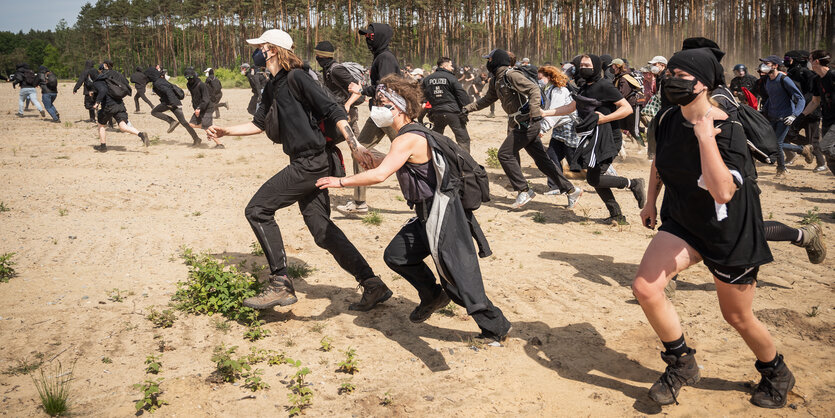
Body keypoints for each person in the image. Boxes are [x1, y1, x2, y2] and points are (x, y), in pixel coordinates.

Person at [633, 46, 795, 409]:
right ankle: (682, 364)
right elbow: (661, 159)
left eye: (681, 76)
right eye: (668, 74)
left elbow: (722, 192)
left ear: (704, 84)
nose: (671, 81)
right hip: (684, 221)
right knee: (645, 288)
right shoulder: (668, 118)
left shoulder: (726, 128)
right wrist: (650, 201)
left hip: (729, 231)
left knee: (736, 316)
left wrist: (705, 136)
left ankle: (776, 372)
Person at [315, 74, 512, 343]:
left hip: (441, 212)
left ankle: (496, 328)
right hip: (425, 213)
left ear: (398, 106)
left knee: (459, 272)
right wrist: (378, 159)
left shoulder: (406, 139)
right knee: (397, 256)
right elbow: (404, 165)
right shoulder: (410, 135)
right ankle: (432, 296)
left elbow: (379, 176)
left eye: (382, 102)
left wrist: (339, 181)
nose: (377, 107)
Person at [206, 29, 391, 312]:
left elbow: (334, 110)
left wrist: (355, 146)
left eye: (261, 47)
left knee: (257, 209)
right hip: (305, 162)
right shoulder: (272, 86)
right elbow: (259, 124)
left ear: (274, 50)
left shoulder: (297, 77)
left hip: (312, 161)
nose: (256, 52)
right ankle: (372, 284)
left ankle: (280, 283)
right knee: (321, 230)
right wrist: (226, 130)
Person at [464, 49, 581, 209]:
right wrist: (466, 109)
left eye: (489, 60)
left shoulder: (511, 75)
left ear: (495, 60)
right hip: (519, 123)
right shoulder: (496, 80)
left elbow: (533, 89)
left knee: (504, 154)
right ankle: (571, 190)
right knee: (543, 161)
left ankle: (523, 190)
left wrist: (534, 113)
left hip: (527, 123)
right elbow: (486, 100)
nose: (487, 63)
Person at [544, 54, 645, 224]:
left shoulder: (604, 86)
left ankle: (633, 183)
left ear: (597, 66)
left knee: (594, 178)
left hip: (609, 138)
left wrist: (603, 119)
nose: (583, 67)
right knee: (594, 176)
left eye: (587, 64)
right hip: (593, 137)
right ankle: (617, 216)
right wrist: (545, 113)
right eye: (581, 65)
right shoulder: (583, 86)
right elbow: (571, 107)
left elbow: (626, 109)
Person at [339, 22, 401, 215]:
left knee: (411, 155)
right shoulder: (380, 57)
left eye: (370, 36)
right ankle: (359, 203)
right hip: (378, 115)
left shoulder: (385, 58)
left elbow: (386, 88)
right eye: (365, 36)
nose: (367, 39)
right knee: (359, 150)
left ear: (381, 37)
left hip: (390, 114)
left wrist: (361, 90)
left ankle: (431, 195)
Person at [538, 65, 583, 206]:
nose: (539, 81)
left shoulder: (559, 91)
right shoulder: (550, 89)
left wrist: (543, 129)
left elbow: (555, 113)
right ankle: (557, 186)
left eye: (541, 78)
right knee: (552, 156)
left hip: (568, 128)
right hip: (559, 130)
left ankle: (610, 175)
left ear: (549, 77)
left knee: (578, 161)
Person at [758, 55, 807, 177]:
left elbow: (801, 99)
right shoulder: (768, 80)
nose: (763, 66)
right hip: (772, 116)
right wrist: (763, 110)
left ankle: (781, 169)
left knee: (777, 143)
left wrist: (794, 115)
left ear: (775, 66)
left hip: (785, 117)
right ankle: (801, 149)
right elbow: (772, 97)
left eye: (767, 64)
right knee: (770, 143)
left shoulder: (784, 79)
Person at [92, 61, 150, 152]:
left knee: (101, 125)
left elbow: (102, 90)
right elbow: (126, 85)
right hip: (120, 104)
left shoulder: (101, 78)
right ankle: (141, 134)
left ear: (103, 67)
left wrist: (97, 102)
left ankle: (103, 147)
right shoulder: (118, 74)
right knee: (123, 126)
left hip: (108, 105)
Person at [783, 51, 826, 170]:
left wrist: (806, 104)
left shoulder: (807, 73)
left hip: (812, 111)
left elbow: (814, 94)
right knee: (789, 133)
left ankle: (821, 163)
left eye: (788, 58)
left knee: (813, 138)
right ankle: (808, 147)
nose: (785, 61)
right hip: (798, 111)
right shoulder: (790, 73)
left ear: (795, 60)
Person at [422, 57, 472, 151]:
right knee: (463, 140)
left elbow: (421, 94)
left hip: (436, 112)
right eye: (450, 65)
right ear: (445, 65)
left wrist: (427, 105)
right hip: (452, 112)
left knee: (436, 138)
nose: (452, 68)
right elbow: (461, 94)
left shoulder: (427, 79)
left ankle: (434, 158)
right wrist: (467, 107)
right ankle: (465, 163)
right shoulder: (451, 78)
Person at [314, 41, 364, 134]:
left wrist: (347, 105)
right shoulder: (326, 69)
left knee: (359, 144)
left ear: (324, 55)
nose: (316, 57)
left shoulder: (336, 70)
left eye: (318, 54)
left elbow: (359, 88)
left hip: (347, 112)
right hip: (340, 110)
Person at [146, 66, 203, 146]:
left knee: (154, 112)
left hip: (171, 103)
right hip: (172, 103)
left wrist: (172, 103)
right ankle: (196, 139)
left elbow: (168, 91)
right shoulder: (160, 81)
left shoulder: (157, 83)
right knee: (184, 122)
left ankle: (172, 121)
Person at [808, 49, 835, 175]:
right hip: (826, 120)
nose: (809, 62)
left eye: (810, 59)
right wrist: (800, 116)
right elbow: (815, 101)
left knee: (825, 147)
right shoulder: (816, 80)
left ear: (816, 61)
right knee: (829, 159)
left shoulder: (833, 76)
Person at [183, 67, 224, 148]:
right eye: (187, 77)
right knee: (191, 124)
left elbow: (206, 99)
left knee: (206, 126)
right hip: (198, 108)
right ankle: (210, 127)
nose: (189, 79)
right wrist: (196, 108)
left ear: (194, 75)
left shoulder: (201, 85)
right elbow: (194, 97)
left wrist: (199, 108)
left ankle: (219, 144)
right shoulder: (189, 85)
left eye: (191, 77)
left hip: (207, 108)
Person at [611, 58, 643, 141]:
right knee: (623, 126)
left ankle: (643, 147)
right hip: (627, 105)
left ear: (618, 67)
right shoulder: (618, 77)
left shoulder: (624, 79)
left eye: (613, 67)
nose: (612, 69)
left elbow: (622, 94)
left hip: (634, 104)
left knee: (634, 129)